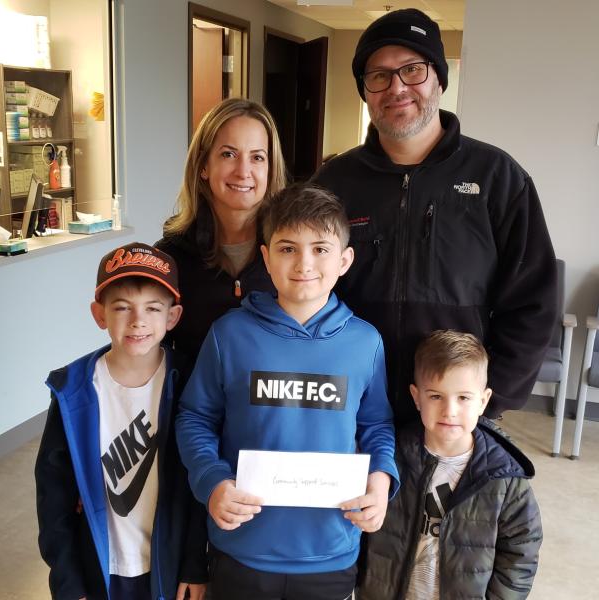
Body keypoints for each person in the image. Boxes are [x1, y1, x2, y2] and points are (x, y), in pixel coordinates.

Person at [313, 8, 558, 425]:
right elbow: (303, 285)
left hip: (452, 418)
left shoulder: (497, 177)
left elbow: (534, 302)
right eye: (378, 76)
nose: (396, 88)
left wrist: (484, 403)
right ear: (365, 90)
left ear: (439, 78)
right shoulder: (335, 181)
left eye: (413, 70)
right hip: (350, 408)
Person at [176, 184, 400, 600]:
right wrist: (212, 481)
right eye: (287, 248)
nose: (304, 263)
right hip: (241, 548)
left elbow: (377, 425)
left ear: (345, 259)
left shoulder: (365, 343)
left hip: (330, 552)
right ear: (265, 257)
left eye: (320, 248)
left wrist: (381, 481)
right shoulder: (229, 334)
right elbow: (195, 418)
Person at [35, 242, 207, 600]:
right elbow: (53, 497)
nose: (138, 320)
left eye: (152, 308)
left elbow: (197, 488)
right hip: (99, 569)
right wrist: (68, 584)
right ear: (99, 315)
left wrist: (194, 564)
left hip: (168, 567)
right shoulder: (74, 391)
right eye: (122, 307)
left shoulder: (188, 381)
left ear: (173, 317)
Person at [357, 330, 543, 600]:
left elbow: (521, 552)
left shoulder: (505, 478)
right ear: (416, 397)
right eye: (435, 396)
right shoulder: (389, 461)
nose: (450, 411)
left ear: (484, 401)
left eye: (464, 398)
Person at [156, 97, 287, 363]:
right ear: (204, 165)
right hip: (193, 402)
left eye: (257, 157)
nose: (243, 171)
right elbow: (154, 356)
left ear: (270, 168)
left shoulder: (294, 253)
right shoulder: (168, 258)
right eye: (229, 154)